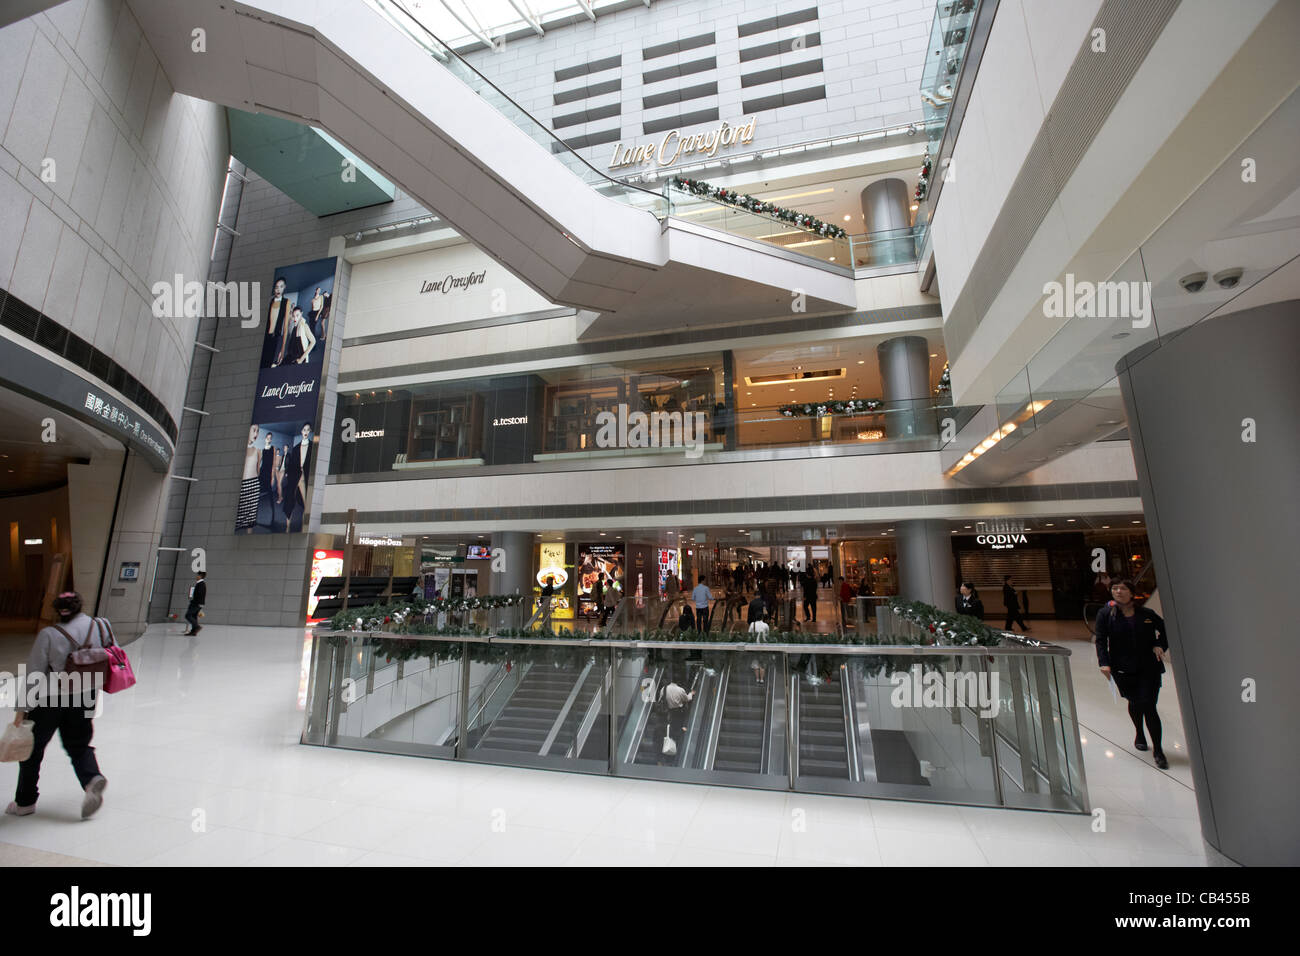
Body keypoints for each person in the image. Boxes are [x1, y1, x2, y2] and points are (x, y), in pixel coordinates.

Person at [7, 592, 110, 819]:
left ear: (57, 610)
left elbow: (35, 674)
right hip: (86, 695)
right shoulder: (100, 626)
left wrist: (21, 710)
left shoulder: (49, 634)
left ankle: (25, 802)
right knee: (79, 744)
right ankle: (91, 778)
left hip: (50, 699)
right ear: (79, 606)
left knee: (32, 750)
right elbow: (111, 654)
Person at [1095, 578, 1170, 769]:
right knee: (1135, 702)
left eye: (1122, 588)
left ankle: (1158, 751)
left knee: (1149, 705)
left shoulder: (1146, 614)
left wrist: (1159, 645)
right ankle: (1140, 732)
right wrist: (1103, 663)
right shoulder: (1106, 615)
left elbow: (1165, 631)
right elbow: (1101, 640)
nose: (1118, 591)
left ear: (1131, 592)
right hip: (1122, 666)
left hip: (1148, 667)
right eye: (1115, 588)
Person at [283, 423, 314, 532]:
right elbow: (291, 464)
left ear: (309, 432)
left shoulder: (312, 447)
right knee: (289, 499)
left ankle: (304, 527)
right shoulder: (296, 448)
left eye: (308, 430)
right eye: (304, 430)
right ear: (301, 431)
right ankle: (287, 526)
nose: (306, 432)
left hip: (305, 477)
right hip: (295, 476)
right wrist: (288, 473)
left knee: (306, 502)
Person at [263, 276, 292, 367]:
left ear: (284, 287)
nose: (278, 289)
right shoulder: (270, 301)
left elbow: (285, 327)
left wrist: (283, 350)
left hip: (275, 338)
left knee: (268, 365)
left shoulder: (286, 302)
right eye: (276, 287)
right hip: (265, 338)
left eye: (281, 287)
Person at [237, 425, 260, 532]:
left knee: (250, 518)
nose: (256, 434)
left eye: (258, 431)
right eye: (254, 430)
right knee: (239, 516)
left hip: (254, 485)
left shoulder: (257, 450)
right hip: (242, 485)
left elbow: (257, 468)